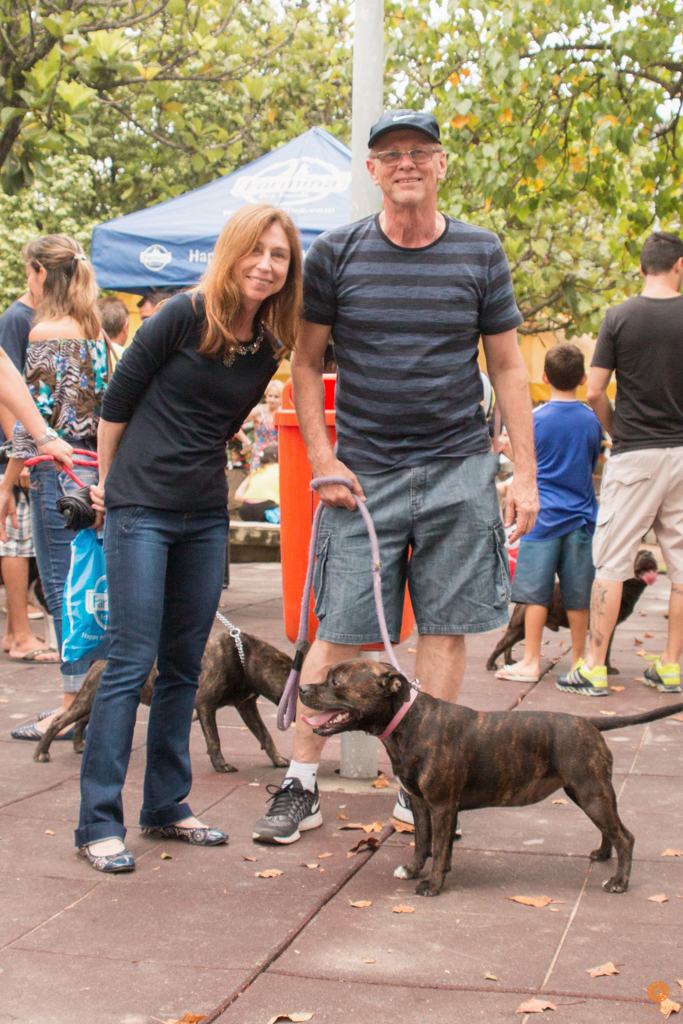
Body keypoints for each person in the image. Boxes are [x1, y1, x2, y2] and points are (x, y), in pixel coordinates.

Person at [252, 108, 538, 845]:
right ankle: (300, 784)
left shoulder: (480, 251)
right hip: (364, 477)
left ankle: (418, 789)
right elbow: (307, 365)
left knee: (442, 630)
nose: (404, 163)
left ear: (441, 165)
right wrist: (321, 460)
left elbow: (506, 365)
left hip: (457, 471)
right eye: (388, 154)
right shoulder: (338, 252)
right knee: (339, 631)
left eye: (418, 151)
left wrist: (524, 475)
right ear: (371, 171)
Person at [75, 203, 302, 873]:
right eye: (256, 250)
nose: (266, 263)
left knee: (182, 664)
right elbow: (117, 404)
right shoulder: (182, 314)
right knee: (131, 659)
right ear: (232, 251)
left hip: (204, 514)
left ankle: (167, 804)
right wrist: (110, 489)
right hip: (139, 505)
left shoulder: (270, 342)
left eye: (280, 255)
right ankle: (97, 823)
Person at [559, 231, 683, 697]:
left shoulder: (620, 316)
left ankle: (593, 668)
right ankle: (670, 667)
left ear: (641, 268)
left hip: (636, 453)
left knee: (611, 562)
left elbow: (593, 391)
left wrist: (617, 431)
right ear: (680, 266)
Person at [0, 235, 108, 737]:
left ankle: (69, 709)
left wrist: (8, 480)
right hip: (94, 475)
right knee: (93, 591)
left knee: (65, 592)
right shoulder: (98, 333)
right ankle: (91, 705)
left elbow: (33, 419)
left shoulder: (46, 332)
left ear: (42, 273)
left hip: (57, 476)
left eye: (28, 272)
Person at [496, 344, 602, 684]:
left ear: (544, 377)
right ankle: (580, 661)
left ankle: (530, 661)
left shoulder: (535, 419)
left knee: (535, 594)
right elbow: (592, 460)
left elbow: (524, 458)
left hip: (540, 517)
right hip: (581, 516)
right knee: (578, 594)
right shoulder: (591, 419)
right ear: (584, 378)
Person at [0, 279, 55, 661]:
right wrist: (17, 455)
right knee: (15, 537)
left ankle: (16, 631)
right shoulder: (18, 319)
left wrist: (37, 441)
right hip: (14, 450)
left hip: (27, 445)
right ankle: (19, 632)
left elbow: (8, 377)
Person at [240, 378, 283, 470]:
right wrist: (246, 442)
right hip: (260, 455)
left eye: (276, 396)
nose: (272, 399)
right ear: (266, 396)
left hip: (279, 455)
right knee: (257, 481)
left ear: (282, 398)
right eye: (270, 396)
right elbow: (235, 424)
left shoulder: (284, 412)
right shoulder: (258, 412)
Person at [235, 444, 280, 521]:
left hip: (245, 510)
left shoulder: (256, 471)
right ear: (275, 456)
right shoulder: (280, 470)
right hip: (267, 511)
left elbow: (238, 496)